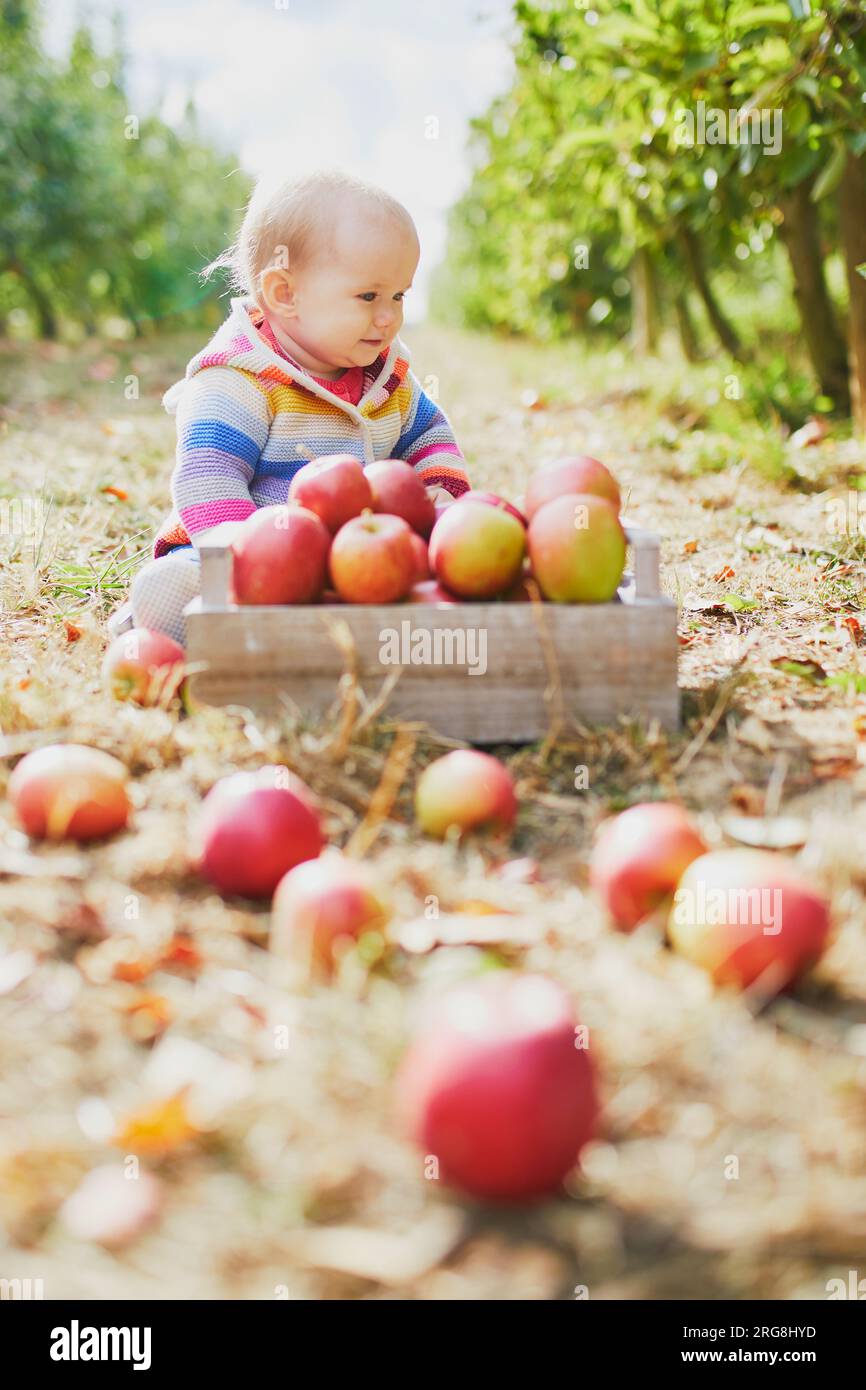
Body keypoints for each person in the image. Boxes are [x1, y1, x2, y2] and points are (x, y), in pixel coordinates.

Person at [108, 167, 469, 645]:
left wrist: (442, 497)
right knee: (187, 580)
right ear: (285, 294)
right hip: (256, 554)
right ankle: (180, 615)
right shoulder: (240, 381)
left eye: (399, 295)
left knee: (434, 576)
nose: (389, 317)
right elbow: (208, 473)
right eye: (368, 296)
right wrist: (253, 558)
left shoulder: (387, 379)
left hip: (357, 553)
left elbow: (429, 435)